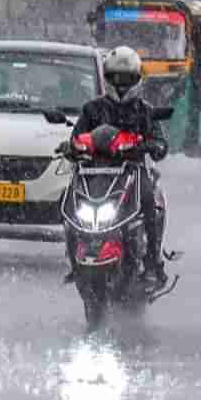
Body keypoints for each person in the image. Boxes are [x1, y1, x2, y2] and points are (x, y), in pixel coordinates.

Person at [69, 46, 170, 288]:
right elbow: (76, 138)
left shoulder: (144, 110)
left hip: (132, 173)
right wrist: (71, 147)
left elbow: (160, 142)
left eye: (127, 78)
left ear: (137, 79)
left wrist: (152, 146)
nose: (121, 83)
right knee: (67, 202)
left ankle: (152, 263)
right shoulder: (92, 109)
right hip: (95, 175)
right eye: (116, 77)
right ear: (107, 77)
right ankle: (73, 259)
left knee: (149, 201)